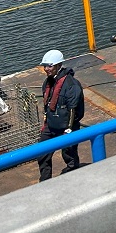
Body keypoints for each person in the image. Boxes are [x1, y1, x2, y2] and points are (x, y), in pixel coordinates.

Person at [36, 50, 84, 181]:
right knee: (42, 152)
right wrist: (46, 123)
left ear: (58, 65)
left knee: (69, 153)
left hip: (67, 127)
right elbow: (47, 106)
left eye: (49, 66)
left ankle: (74, 176)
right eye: (45, 66)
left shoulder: (71, 85)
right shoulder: (48, 83)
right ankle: (45, 181)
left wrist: (69, 129)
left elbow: (73, 109)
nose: (46, 69)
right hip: (51, 125)